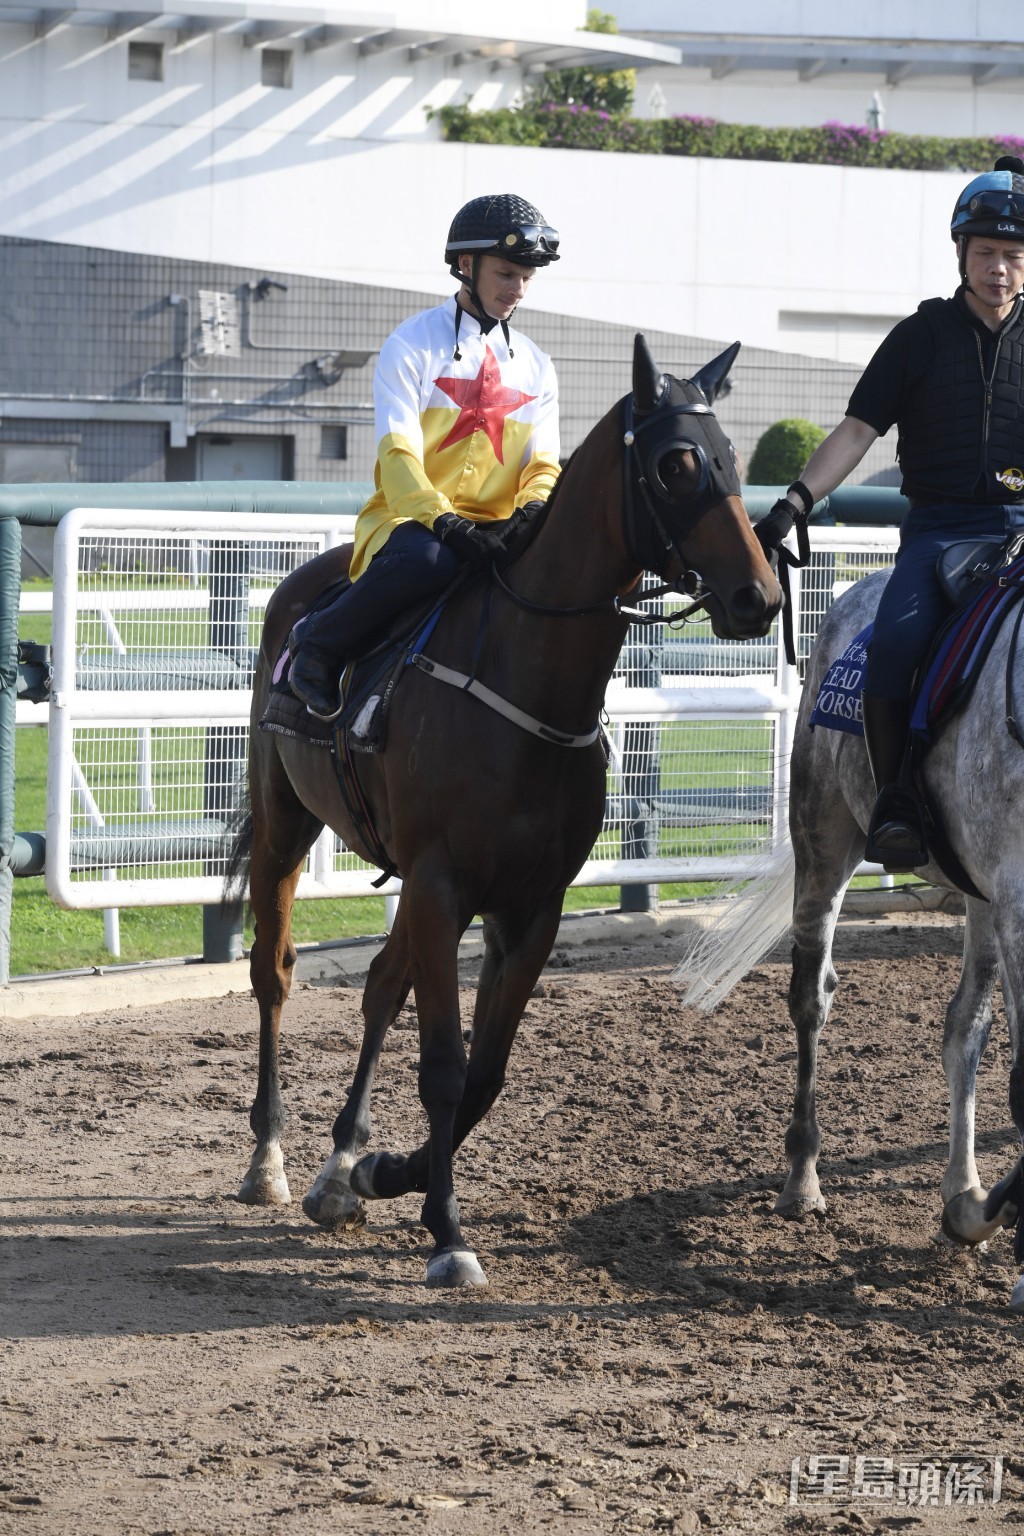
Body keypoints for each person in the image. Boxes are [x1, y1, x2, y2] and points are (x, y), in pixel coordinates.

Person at [759, 154, 1024, 872]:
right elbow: (855, 432)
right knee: (893, 648)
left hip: (1019, 536)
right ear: (961, 254)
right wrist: (791, 505)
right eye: (987, 253)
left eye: (1013, 256)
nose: (1000, 269)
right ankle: (897, 800)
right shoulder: (919, 336)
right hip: (939, 536)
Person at [288, 193, 562, 718]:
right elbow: (397, 453)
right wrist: (445, 522)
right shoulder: (410, 345)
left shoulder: (537, 364)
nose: (517, 290)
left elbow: (542, 463)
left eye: (526, 278)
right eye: (506, 274)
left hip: (498, 527)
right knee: (430, 558)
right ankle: (318, 645)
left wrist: (531, 513)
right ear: (466, 265)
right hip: (410, 525)